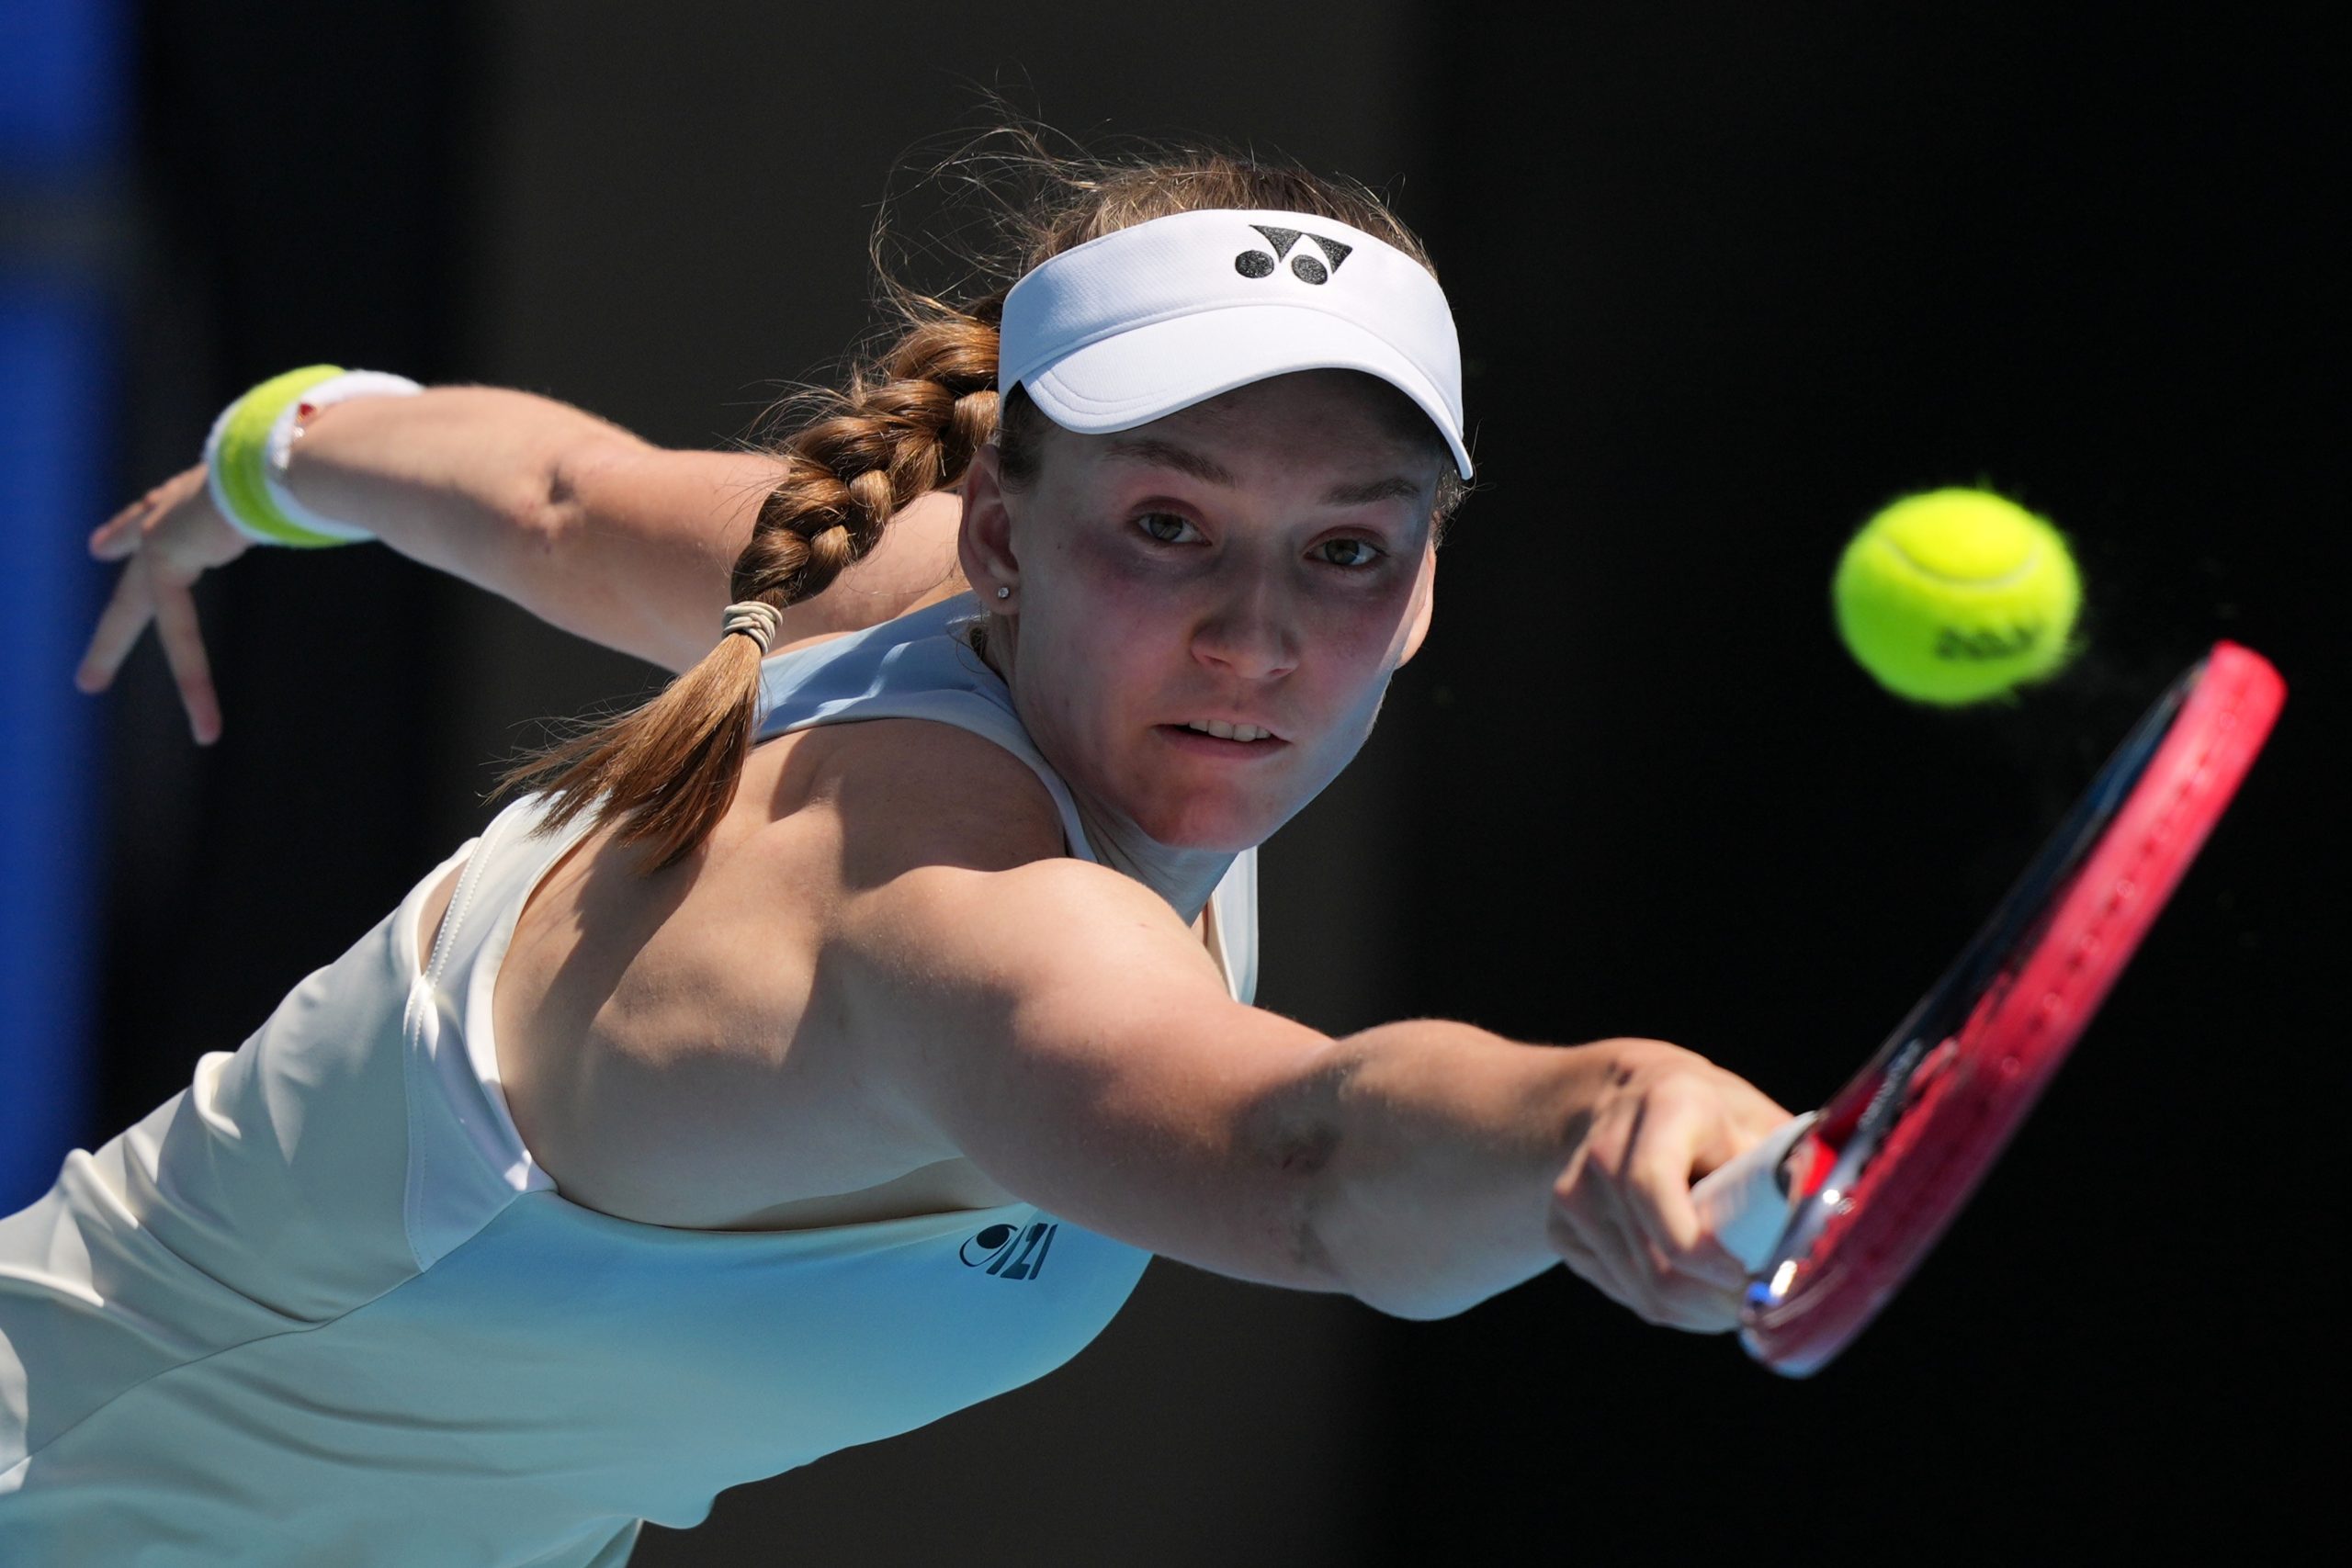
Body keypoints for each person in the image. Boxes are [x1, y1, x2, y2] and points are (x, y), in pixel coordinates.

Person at [5, 141, 1789, 1564]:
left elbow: (552, 497)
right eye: (1168, 524)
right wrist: (1597, 1110)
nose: (1254, 637)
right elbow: (1307, 1161)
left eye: (1343, 549)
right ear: (1002, 531)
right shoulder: (957, 915)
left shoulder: (913, 593)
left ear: (1420, 591)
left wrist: (269, 456)